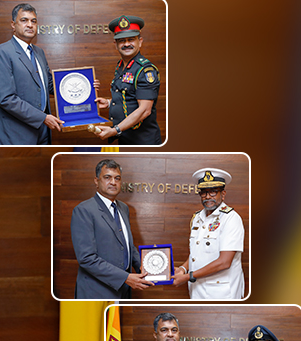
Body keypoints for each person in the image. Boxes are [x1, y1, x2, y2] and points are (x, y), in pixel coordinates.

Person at [70, 159, 148, 298]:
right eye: (107, 177)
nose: (113, 182)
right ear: (96, 180)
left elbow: (128, 245)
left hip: (123, 290)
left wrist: (142, 266)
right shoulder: (83, 210)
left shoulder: (123, 208)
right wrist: (125, 277)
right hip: (96, 291)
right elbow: (86, 258)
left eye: (117, 178)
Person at [0, 4, 62, 144]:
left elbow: (49, 85)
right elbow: (6, 99)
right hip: (17, 135)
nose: (30, 25)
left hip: (43, 132)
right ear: (13, 24)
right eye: (24, 20)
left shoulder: (39, 52)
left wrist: (83, 86)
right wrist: (43, 118)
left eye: (33, 21)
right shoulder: (1, 53)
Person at [172, 169, 245, 298]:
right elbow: (197, 252)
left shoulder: (231, 218)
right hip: (197, 290)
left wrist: (188, 276)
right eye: (204, 192)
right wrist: (183, 269)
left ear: (223, 194)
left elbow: (224, 262)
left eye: (213, 192)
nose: (207, 197)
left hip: (222, 293)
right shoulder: (197, 218)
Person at [92, 15, 161, 145]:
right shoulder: (121, 66)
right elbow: (129, 97)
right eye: (122, 40)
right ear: (116, 44)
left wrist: (115, 130)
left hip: (143, 141)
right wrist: (108, 102)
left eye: (131, 40)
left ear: (140, 41)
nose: (127, 44)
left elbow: (145, 110)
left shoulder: (145, 70)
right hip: (125, 137)